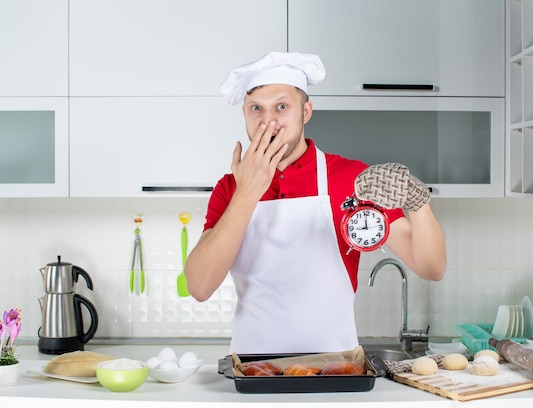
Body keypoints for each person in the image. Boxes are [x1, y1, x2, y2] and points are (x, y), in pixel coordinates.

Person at [184, 51, 446, 354]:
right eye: (256, 108)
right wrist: (247, 193)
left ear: (305, 112)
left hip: (337, 366)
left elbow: (431, 267)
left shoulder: (351, 178)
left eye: (282, 107)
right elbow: (200, 286)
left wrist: (418, 202)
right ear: (244, 113)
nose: (268, 122)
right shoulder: (229, 188)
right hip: (254, 370)